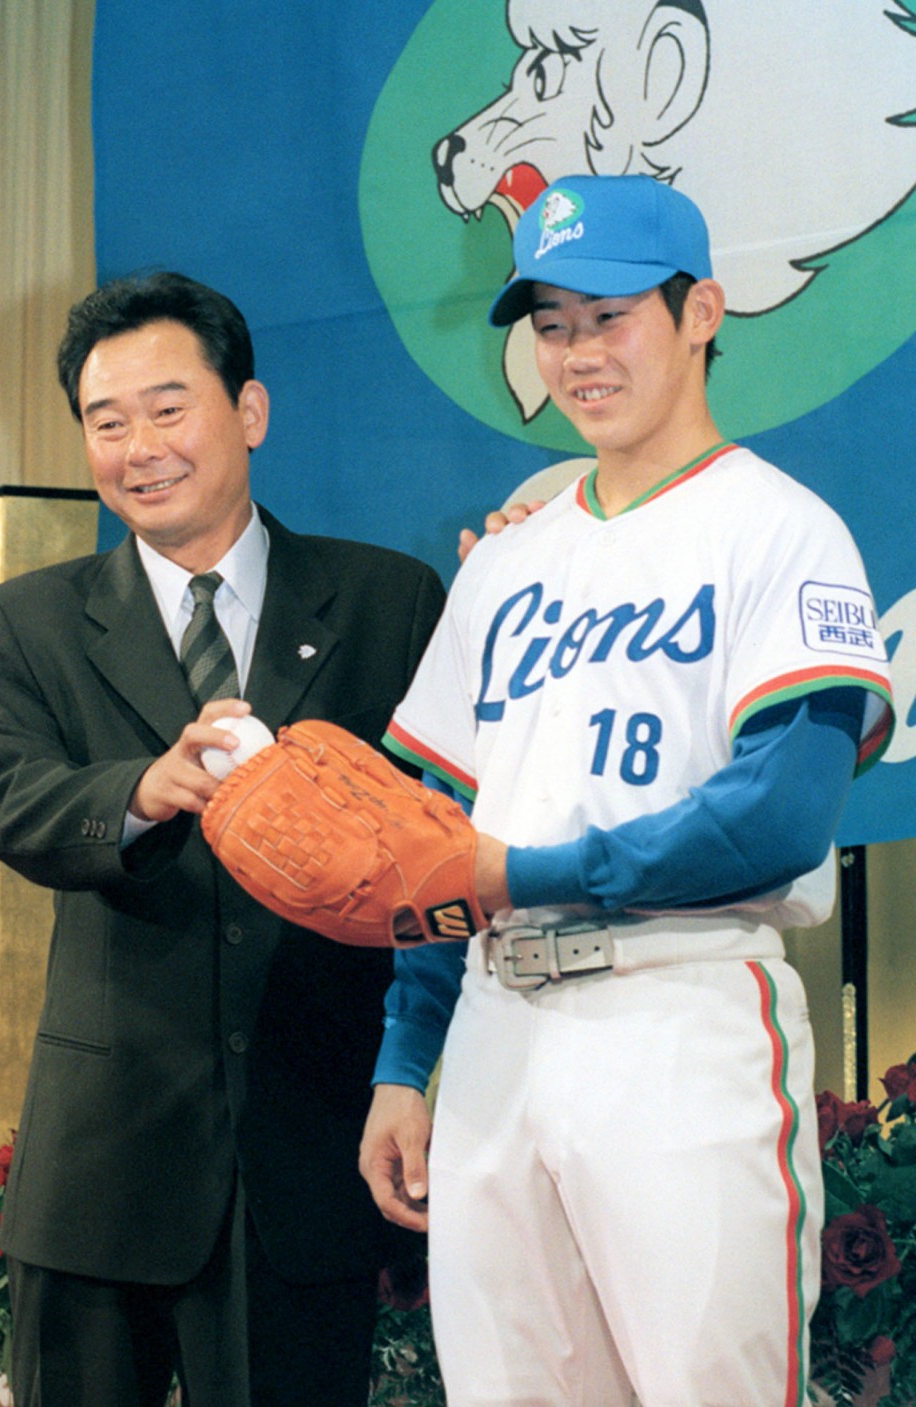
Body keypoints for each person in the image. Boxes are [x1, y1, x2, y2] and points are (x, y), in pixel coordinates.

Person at [359, 174, 895, 1407]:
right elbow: (443, 839)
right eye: (551, 323)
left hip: (675, 1008)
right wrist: (406, 1060)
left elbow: (779, 817)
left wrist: (522, 875)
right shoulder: (508, 566)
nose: (577, 353)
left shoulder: (781, 529)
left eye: (609, 315)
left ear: (701, 309)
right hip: (497, 1033)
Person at [0, 271, 446, 1407]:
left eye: (168, 409)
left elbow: (442, 837)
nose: (140, 448)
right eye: (106, 421)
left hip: (310, 1160)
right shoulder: (24, 623)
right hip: (102, 1177)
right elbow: (11, 801)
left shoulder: (389, 600)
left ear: (250, 413)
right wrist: (145, 788)